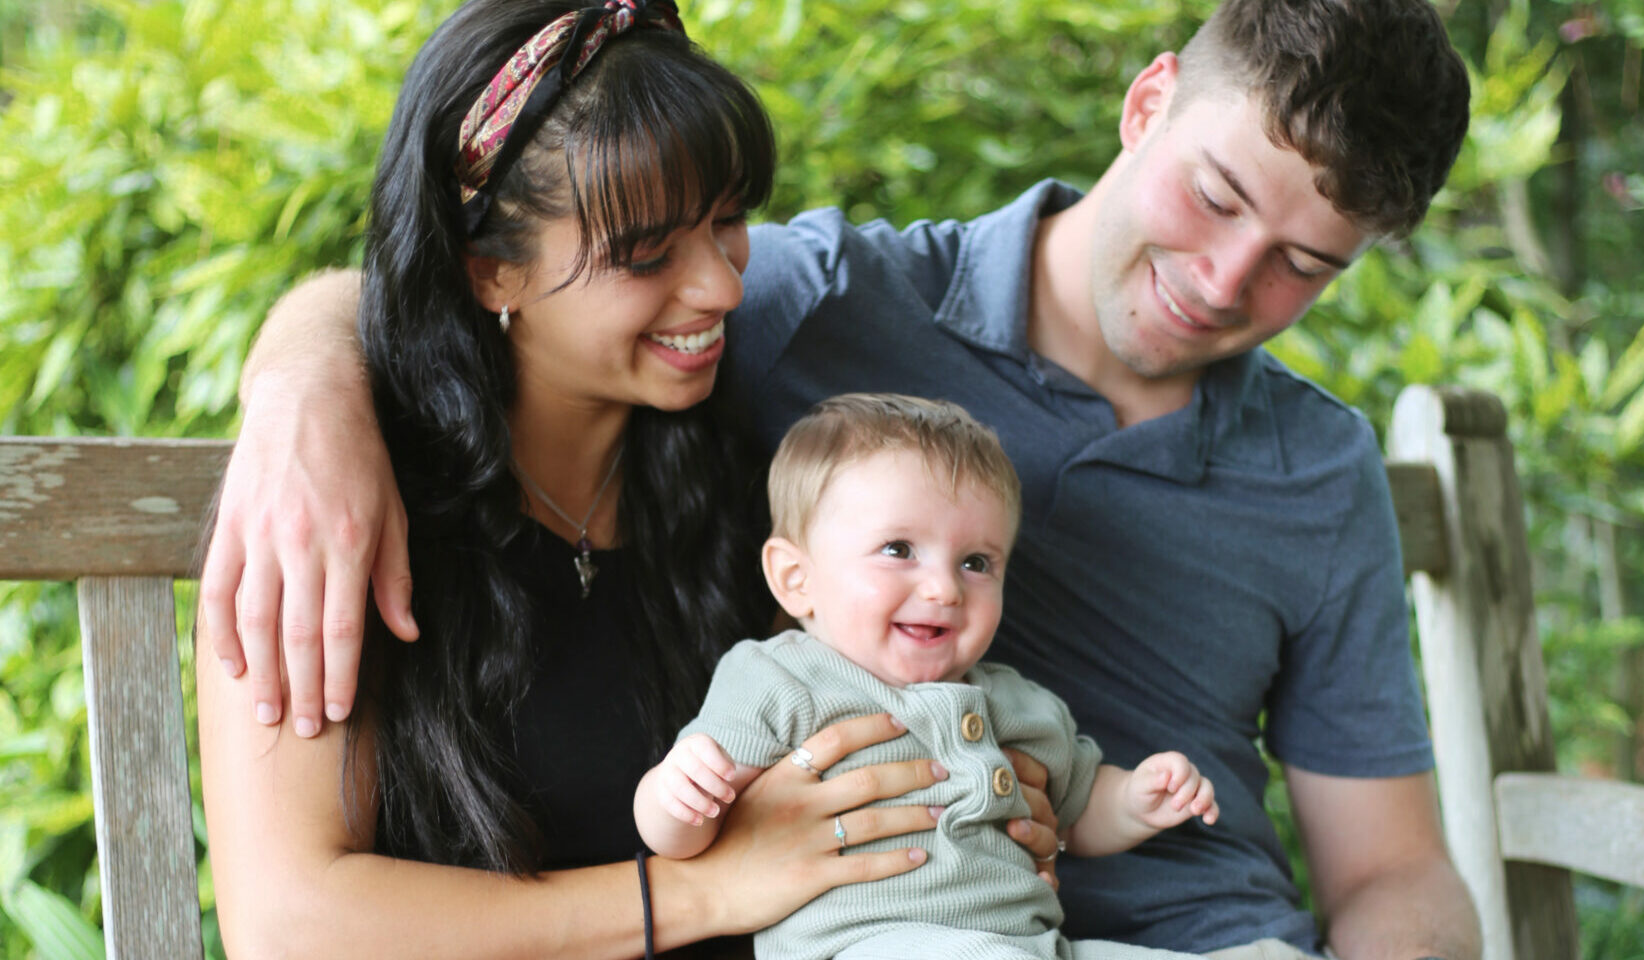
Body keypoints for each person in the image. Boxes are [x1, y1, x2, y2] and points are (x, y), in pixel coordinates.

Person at [200, 0, 1483, 956]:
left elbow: (1392, 872)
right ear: (1146, 104)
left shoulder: (1317, 469)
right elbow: (470, 277)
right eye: (1213, 197)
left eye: (1302, 265)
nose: (1223, 279)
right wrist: (301, 391)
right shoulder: (822, 315)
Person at [194, 3, 1078, 957]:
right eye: (648, 254)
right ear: (491, 271)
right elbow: (287, 928)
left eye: (731, 220)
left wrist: (968, 807)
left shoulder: (744, 475)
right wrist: (700, 890)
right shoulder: (337, 510)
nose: (725, 287)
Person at [639, 393, 1217, 960]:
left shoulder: (1019, 703)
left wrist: (1138, 800)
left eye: (976, 563)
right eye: (898, 549)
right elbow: (679, 835)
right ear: (796, 578)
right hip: (863, 944)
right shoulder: (781, 678)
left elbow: (1080, 810)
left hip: (1032, 943)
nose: (945, 589)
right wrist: (675, 793)